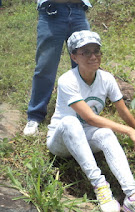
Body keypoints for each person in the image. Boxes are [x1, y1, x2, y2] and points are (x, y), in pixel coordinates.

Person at [46, 30, 135, 212]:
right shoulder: (67, 80)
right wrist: (129, 132)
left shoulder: (106, 78)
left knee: (106, 132)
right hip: (62, 142)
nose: (93, 56)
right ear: (74, 56)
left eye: (96, 51)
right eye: (86, 52)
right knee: (70, 122)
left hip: (88, 138)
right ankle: (100, 186)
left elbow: (123, 112)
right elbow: (90, 117)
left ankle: (133, 198)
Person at [23, 0, 92, 135]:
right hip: (51, 12)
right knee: (45, 66)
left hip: (78, 10)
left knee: (85, 63)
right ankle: (35, 115)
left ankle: (86, 111)